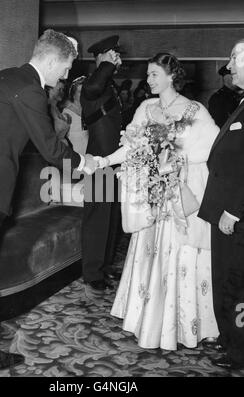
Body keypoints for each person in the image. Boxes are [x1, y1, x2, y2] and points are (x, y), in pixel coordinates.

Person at [0, 29, 97, 371]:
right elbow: (50, 146)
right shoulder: (30, 90)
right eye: (67, 67)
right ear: (53, 59)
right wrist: (85, 164)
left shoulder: (5, 76)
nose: (67, 76)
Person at [96, 53, 220, 350]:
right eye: (148, 75)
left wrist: (179, 163)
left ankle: (187, 324)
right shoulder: (145, 108)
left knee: (182, 253)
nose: (148, 80)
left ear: (170, 77)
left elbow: (216, 149)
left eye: (153, 74)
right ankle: (150, 321)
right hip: (153, 196)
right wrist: (103, 161)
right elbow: (130, 148)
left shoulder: (195, 110)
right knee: (151, 252)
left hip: (180, 194)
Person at [198, 39, 244, 369]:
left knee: (236, 282)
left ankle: (240, 352)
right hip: (224, 210)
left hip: (235, 213)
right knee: (226, 279)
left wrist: (236, 209)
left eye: (235, 57)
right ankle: (231, 342)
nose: (229, 64)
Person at [81, 35, 123, 291]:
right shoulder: (91, 83)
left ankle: (103, 267)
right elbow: (93, 88)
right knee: (98, 218)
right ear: (101, 57)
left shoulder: (109, 86)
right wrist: (105, 64)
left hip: (112, 163)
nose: (117, 60)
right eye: (112, 55)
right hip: (97, 163)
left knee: (110, 217)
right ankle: (92, 273)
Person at [208, 64, 242, 128]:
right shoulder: (217, 98)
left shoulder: (240, 94)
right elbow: (220, 124)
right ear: (226, 78)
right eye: (234, 76)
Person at [62, 76, 89, 154]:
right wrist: (66, 165)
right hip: (72, 156)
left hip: (87, 156)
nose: (84, 95)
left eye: (85, 91)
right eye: (80, 92)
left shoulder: (88, 110)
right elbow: (62, 140)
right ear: (73, 94)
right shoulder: (66, 112)